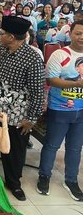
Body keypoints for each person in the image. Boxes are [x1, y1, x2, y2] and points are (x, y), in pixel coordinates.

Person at [0, 16, 45, 201]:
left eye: (2, 34)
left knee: (14, 151)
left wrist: (31, 118)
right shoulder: (0, 50)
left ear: (11, 36)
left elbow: (38, 91)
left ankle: (13, 183)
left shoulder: (32, 57)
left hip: (17, 114)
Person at [37, 20, 83, 201]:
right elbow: (51, 79)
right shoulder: (60, 54)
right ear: (70, 33)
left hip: (81, 111)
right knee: (52, 145)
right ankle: (44, 176)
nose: (81, 37)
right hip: (60, 108)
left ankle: (71, 180)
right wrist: (77, 84)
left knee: (75, 148)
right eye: (78, 33)